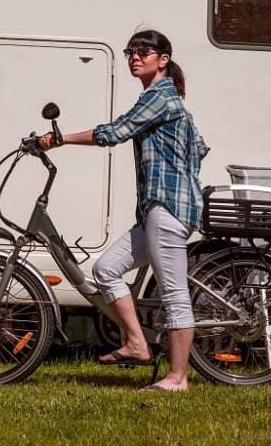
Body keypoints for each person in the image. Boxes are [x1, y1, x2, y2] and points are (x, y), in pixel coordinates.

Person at [40, 29, 208, 393]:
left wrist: (60, 139)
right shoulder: (163, 99)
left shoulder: (161, 98)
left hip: (167, 207)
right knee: (106, 269)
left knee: (174, 295)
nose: (135, 56)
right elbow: (200, 148)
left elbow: (115, 132)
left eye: (143, 51)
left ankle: (178, 379)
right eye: (130, 51)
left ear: (163, 59)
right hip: (156, 211)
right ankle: (136, 343)